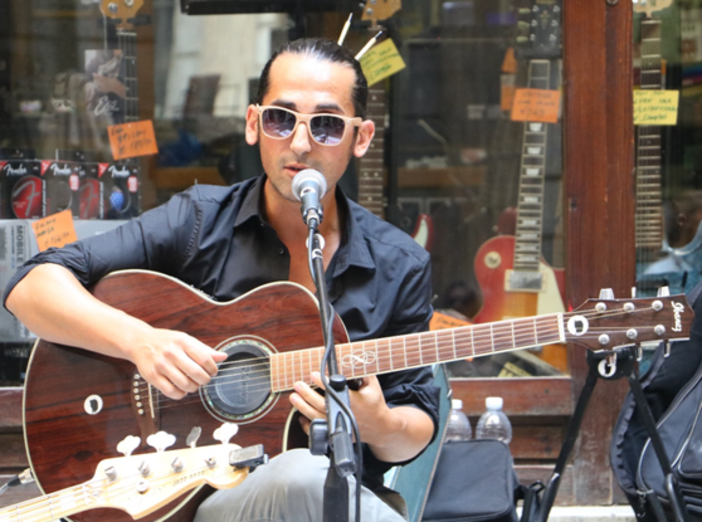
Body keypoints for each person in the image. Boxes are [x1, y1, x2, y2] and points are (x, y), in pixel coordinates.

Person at [4, 38, 440, 522]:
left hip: (324, 501)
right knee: (300, 475)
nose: (300, 144)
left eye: (327, 125)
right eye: (281, 118)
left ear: (360, 138)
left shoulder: (400, 264)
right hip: (187, 498)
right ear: (254, 125)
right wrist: (141, 342)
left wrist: (377, 423)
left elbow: (416, 425)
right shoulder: (198, 222)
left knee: (309, 476)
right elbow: (31, 286)